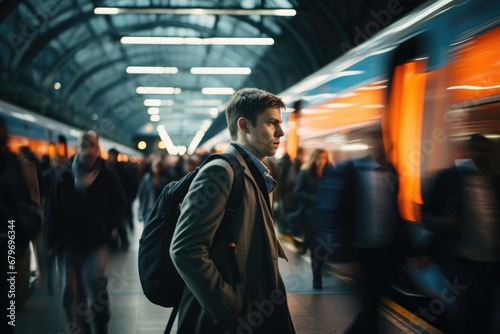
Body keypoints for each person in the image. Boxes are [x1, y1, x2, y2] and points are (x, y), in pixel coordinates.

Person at [170, 87, 296, 333]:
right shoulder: (221, 173)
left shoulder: (253, 172)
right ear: (245, 126)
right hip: (230, 319)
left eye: (280, 124)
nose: (281, 132)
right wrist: (226, 305)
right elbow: (185, 248)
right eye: (272, 123)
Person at [317, 127, 408, 334]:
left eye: (384, 141)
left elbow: (395, 212)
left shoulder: (391, 170)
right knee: (370, 306)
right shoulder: (348, 170)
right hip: (360, 254)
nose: (380, 145)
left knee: (373, 306)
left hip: (385, 252)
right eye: (376, 140)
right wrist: (340, 256)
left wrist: (408, 251)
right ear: (368, 143)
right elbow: (331, 213)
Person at [46, 130, 127, 334]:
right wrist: (51, 243)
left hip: (97, 241)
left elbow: (120, 204)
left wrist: (108, 227)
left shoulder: (108, 175)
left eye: (90, 143)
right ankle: (81, 330)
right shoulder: (64, 174)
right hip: (69, 243)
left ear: (98, 148)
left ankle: (101, 324)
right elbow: (53, 211)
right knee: (72, 293)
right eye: (83, 142)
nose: (86, 146)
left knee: (96, 281)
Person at [421, 134, 500, 334]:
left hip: (490, 265)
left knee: (486, 315)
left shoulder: (495, 181)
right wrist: (445, 223)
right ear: (470, 152)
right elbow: (427, 214)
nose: (484, 155)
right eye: (479, 150)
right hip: (460, 262)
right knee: (466, 315)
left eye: (488, 150)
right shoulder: (449, 178)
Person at [293, 148, 330, 288]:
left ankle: (320, 267)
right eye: (319, 158)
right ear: (314, 158)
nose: (322, 161)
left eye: (324, 158)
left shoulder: (329, 173)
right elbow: (298, 192)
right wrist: (316, 199)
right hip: (311, 216)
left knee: (324, 246)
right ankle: (317, 278)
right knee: (316, 248)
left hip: (326, 216)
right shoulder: (306, 172)